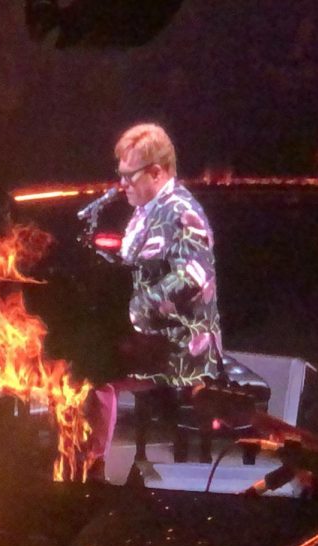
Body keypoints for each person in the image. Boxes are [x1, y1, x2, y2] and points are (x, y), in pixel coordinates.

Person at [87, 123, 223, 472]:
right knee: (77, 353)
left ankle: (91, 467)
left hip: (180, 344)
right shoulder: (147, 209)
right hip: (149, 335)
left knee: (91, 374)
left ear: (157, 172)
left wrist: (136, 308)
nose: (123, 185)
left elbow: (193, 276)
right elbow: (142, 268)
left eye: (129, 177)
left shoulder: (181, 212)